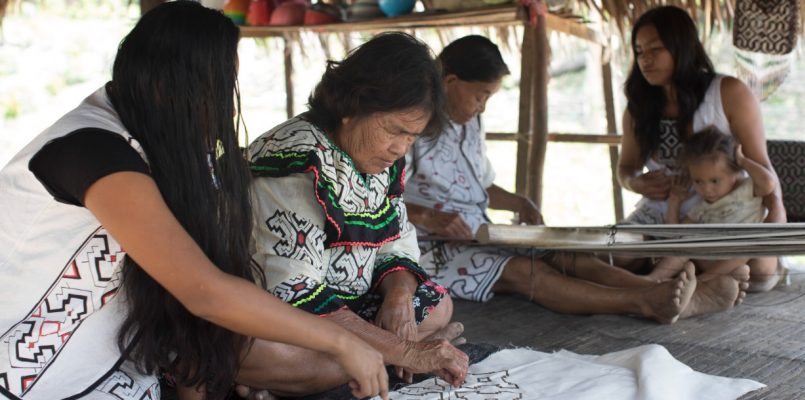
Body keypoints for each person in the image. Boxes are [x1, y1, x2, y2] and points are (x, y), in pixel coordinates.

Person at [0, 3, 390, 400]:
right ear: (172, 85)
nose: (221, 107)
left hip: (122, 375)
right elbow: (202, 291)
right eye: (219, 89)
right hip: (30, 380)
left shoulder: (168, 150)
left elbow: (190, 302)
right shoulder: (90, 151)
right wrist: (342, 341)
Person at [403, 35, 697, 325]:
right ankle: (645, 300)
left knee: (559, 254)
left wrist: (520, 203)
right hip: (430, 247)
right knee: (526, 271)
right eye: (481, 96)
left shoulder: (470, 123)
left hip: (476, 233)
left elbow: (477, 186)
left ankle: (652, 286)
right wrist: (431, 216)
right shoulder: (413, 127)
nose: (483, 107)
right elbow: (384, 200)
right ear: (450, 82)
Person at [244, 32, 469, 398]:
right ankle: (380, 358)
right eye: (395, 130)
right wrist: (403, 348)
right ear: (352, 106)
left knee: (438, 306)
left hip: (352, 312)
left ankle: (353, 362)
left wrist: (397, 297)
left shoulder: (381, 160)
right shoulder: (296, 160)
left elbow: (397, 243)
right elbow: (291, 288)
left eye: (411, 138)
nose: (400, 149)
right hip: (285, 321)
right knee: (258, 352)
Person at [617, 5, 787, 317]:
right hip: (664, 215)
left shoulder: (728, 93)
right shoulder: (638, 108)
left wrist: (774, 225)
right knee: (617, 255)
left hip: (722, 216)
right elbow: (625, 169)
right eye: (639, 50)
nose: (645, 59)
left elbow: (763, 169)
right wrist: (635, 182)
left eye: (656, 48)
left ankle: (687, 278)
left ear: (683, 48)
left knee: (762, 273)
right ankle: (686, 281)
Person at [647, 127, 776, 281]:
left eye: (715, 181)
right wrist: (674, 201)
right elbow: (675, 235)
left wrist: (742, 160)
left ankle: (702, 283)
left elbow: (769, 184)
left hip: (752, 260)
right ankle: (652, 280)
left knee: (751, 243)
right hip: (718, 261)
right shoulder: (702, 208)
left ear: (734, 172)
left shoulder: (748, 188)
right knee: (685, 244)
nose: (706, 189)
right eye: (698, 181)